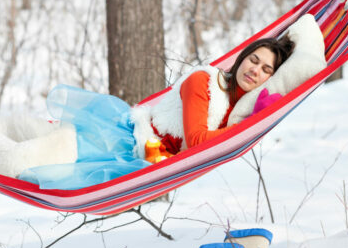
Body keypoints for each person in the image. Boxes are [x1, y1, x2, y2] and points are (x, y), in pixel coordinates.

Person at [19, 36, 294, 189]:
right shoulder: (204, 82)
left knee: (43, 166)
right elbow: (197, 141)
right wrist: (252, 123)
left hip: (144, 161)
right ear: (242, 58)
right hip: (125, 140)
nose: (255, 70)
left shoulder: (240, 110)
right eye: (253, 60)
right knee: (36, 162)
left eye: (265, 70)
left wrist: (255, 118)